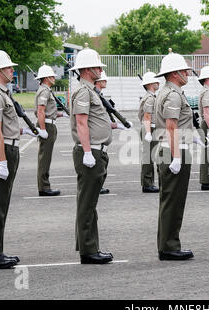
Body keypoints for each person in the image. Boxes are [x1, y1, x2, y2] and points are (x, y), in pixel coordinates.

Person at [0, 45, 38, 269]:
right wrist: (2, 161)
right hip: (0, 151)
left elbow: (4, 126)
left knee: (1, 202)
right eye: (7, 67)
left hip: (7, 147)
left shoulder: (2, 93)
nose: (12, 71)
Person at [69, 45, 114, 264]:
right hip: (91, 152)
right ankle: (89, 251)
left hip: (96, 150)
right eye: (96, 66)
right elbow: (81, 122)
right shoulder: (84, 91)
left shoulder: (89, 90)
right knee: (87, 204)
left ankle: (88, 246)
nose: (99, 69)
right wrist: (87, 152)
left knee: (89, 203)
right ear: (87, 69)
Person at [154, 49, 194, 261]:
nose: (187, 74)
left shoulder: (169, 92)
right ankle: (169, 247)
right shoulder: (173, 95)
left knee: (170, 201)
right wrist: (177, 157)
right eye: (184, 71)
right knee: (173, 202)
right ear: (174, 73)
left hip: (170, 149)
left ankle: (167, 244)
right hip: (173, 151)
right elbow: (171, 126)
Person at [34, 63, 63, 196]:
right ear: (46, 78)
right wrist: (43, 129)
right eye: (52, 76)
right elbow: (41, 110)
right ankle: (44, 187)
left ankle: (44, 185)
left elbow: (48, 110)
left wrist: (62, 114)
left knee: (46, 157)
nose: (54, 78)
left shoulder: (45, 90)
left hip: (49, 123)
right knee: (44, 158)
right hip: (47, 125)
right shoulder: (44, 91)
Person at [138, 71, 160, 193]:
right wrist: (148, 132)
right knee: (148, 157)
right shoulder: (150, 98)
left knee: (150, 156)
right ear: (151, 84)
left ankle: (149, 182)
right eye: (156, 81)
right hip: (150, 128)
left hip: (150, 128)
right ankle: (147, 184)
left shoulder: (150, 97)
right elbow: (147, 116)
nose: (158, 83)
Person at [93, 70, 112, 195]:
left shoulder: (99, 95)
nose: (106, 81)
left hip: (103, 136)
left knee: (104, 161)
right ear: (98, 82)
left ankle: (99, 185)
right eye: (103, 80)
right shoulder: (95, 95)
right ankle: (97, 185)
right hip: (96, 137)